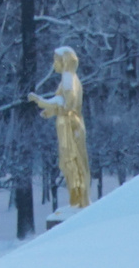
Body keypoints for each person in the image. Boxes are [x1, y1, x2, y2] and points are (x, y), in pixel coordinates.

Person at [28, 47, 92, 211]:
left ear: (64, 62)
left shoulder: (68, 78)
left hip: (69, 125)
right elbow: (62, 102)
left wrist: (40, 101)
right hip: (71, 123)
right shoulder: (69, 78)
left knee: (71, 161)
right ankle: (78, 198)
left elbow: (67, 104)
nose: (53, 64)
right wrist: (50, 110)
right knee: (72, 161)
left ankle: (78, 198)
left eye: (56, 61)